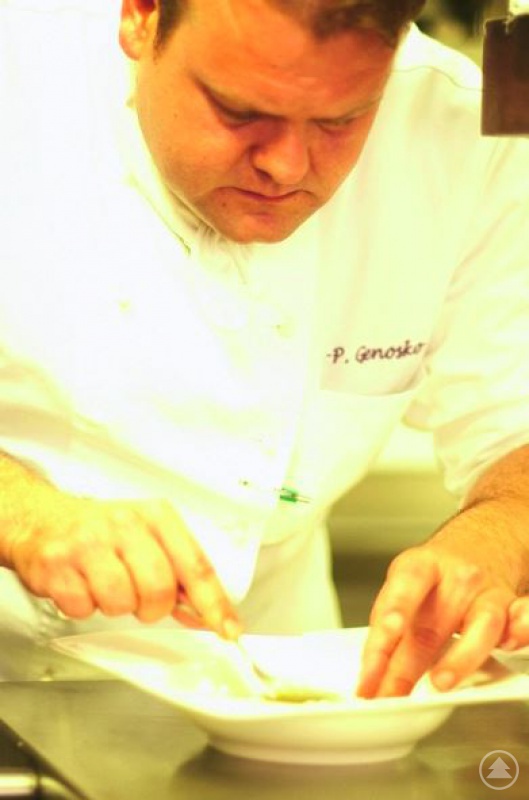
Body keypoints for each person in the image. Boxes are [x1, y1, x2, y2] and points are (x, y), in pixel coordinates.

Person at [0, 0, 528, 697]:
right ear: (141, 16)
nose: (284, 165)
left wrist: (496, 535)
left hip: (279, 687)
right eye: (238, 111)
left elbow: (513, 427)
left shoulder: (461, 133)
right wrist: (26, 514)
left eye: (340, 120)